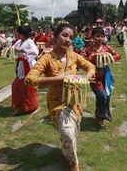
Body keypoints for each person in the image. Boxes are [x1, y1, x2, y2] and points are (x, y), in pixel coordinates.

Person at [25, 22, 95, 171]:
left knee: (72, 131)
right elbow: (30, 79)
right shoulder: (47, 58)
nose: (68, 39)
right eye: (64, 35)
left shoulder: (74, 56)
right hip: (56, 102)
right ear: (55, 36)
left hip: (75, 101)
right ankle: (74, 163)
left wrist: (87, 77)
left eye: (71, 37)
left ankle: (67, 152)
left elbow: (91, 67)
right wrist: (60, 78)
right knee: (67, 131)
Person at [81, 26, 121, 126]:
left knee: (107, 96)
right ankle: (101, 116)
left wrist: (109, 57)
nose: (100, 38)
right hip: (94, 77)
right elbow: (81, 60)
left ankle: (101, 115)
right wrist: (93, 58)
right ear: (92, 37)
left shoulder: (107, 48)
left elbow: (118, 55)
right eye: (97, 36)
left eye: (102, 36)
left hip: (106, 77)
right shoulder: (87, 49)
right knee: (102, 96)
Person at [11, 25, 39, 115]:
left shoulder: (29, 41)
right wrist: (12, 49)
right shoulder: (19, 41)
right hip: (21, 66)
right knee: (17, 86)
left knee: (28, 87)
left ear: (23, 34)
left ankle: (31, 107)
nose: (17, 34)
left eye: (18, 33)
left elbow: (35, 52)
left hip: (28, 65)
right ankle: (21, 106)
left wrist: (23, 51)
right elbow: (13, 48)